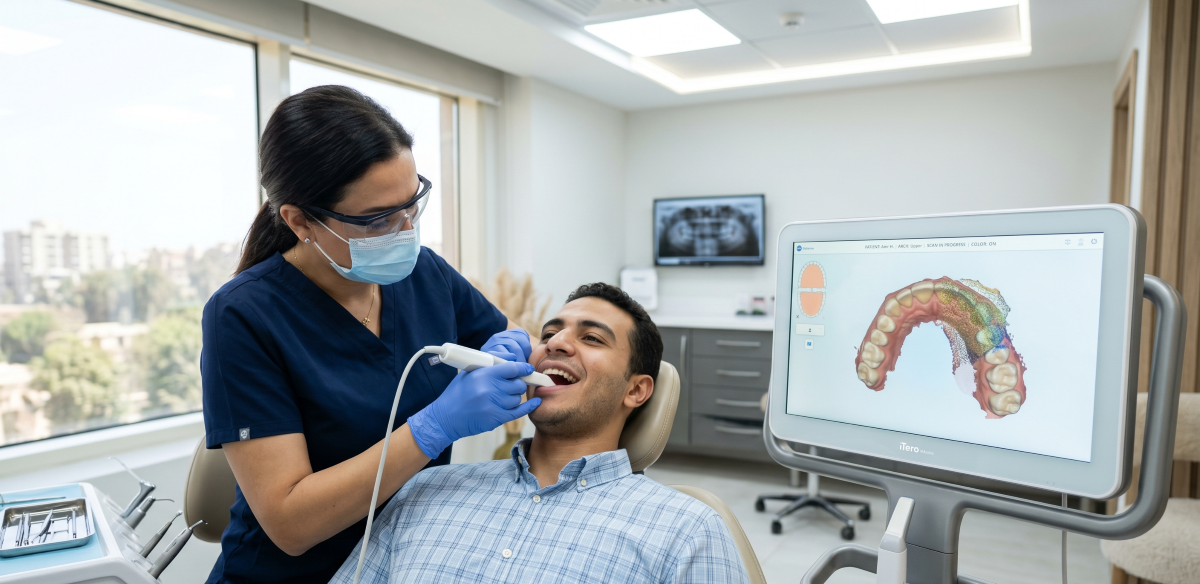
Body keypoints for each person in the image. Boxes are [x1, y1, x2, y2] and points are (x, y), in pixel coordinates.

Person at [201, 85, 542, 583]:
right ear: (300, 221)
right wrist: (434, 427)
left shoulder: (426, 273)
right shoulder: (244, 316)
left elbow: (514, 335)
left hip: (405, 561)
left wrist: (513, 345)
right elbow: (290, 523)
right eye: (378, 218)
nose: (406, 229)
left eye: (412, 203)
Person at [331, 283, 751, 584]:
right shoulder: (425, 488)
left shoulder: (687, 530)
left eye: (591, 338)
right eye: (549, 334)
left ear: (636, 390)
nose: (556, 344)